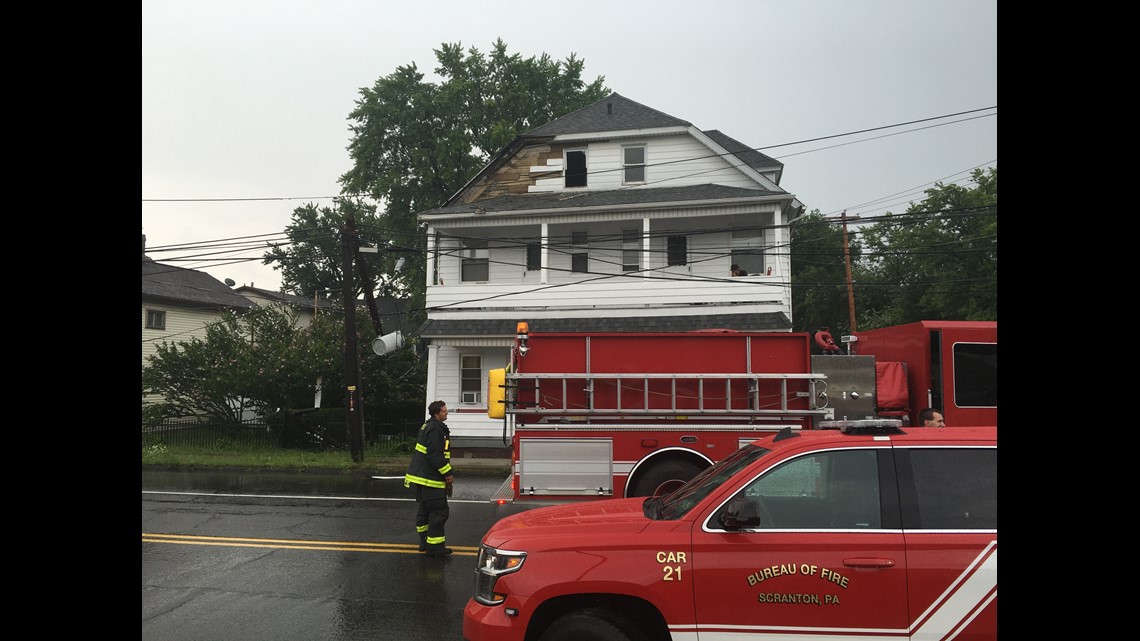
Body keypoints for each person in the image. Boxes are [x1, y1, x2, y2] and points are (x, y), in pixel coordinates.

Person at [404, 400, 454, 557]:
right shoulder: (434, 430)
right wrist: (448, 474)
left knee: (425, 511)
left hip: (423, 478)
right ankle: (435, 548)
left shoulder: (430, 426)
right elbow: (435, 455)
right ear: (436, 413)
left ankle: (424, 542)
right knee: (439, 512)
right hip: (431, 479)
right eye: (444, 411)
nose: (447, 412)